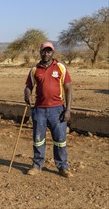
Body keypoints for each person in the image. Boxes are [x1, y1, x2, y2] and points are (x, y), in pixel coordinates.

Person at [24, 41, 73, 178]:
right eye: (44, 51)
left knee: (60, 140)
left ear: (53, 52)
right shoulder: (35, 70)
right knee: (38, 139)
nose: (46, 54)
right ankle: (37, 165)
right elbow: (28, 86)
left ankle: (63, 167)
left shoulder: (61, 68)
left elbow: (68, 88)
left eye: (49, 51)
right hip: (39, 110)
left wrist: (67, 110)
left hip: (57, 110)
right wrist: (27, 95)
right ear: (40, 52)